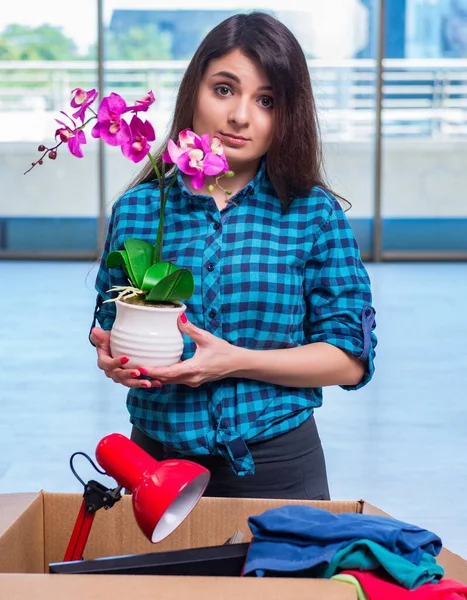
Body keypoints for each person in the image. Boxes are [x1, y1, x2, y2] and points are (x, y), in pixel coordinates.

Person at [89, 11, 377, 501]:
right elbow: (108, 317)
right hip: (154, 466)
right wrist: (110, 356)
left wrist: (233, 362)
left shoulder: (314, 214)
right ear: (193, 94)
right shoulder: (139, 208)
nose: (241, 116)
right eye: (224, 89)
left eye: (266, 100)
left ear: (288, 114)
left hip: (278, 467)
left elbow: (350, 359)